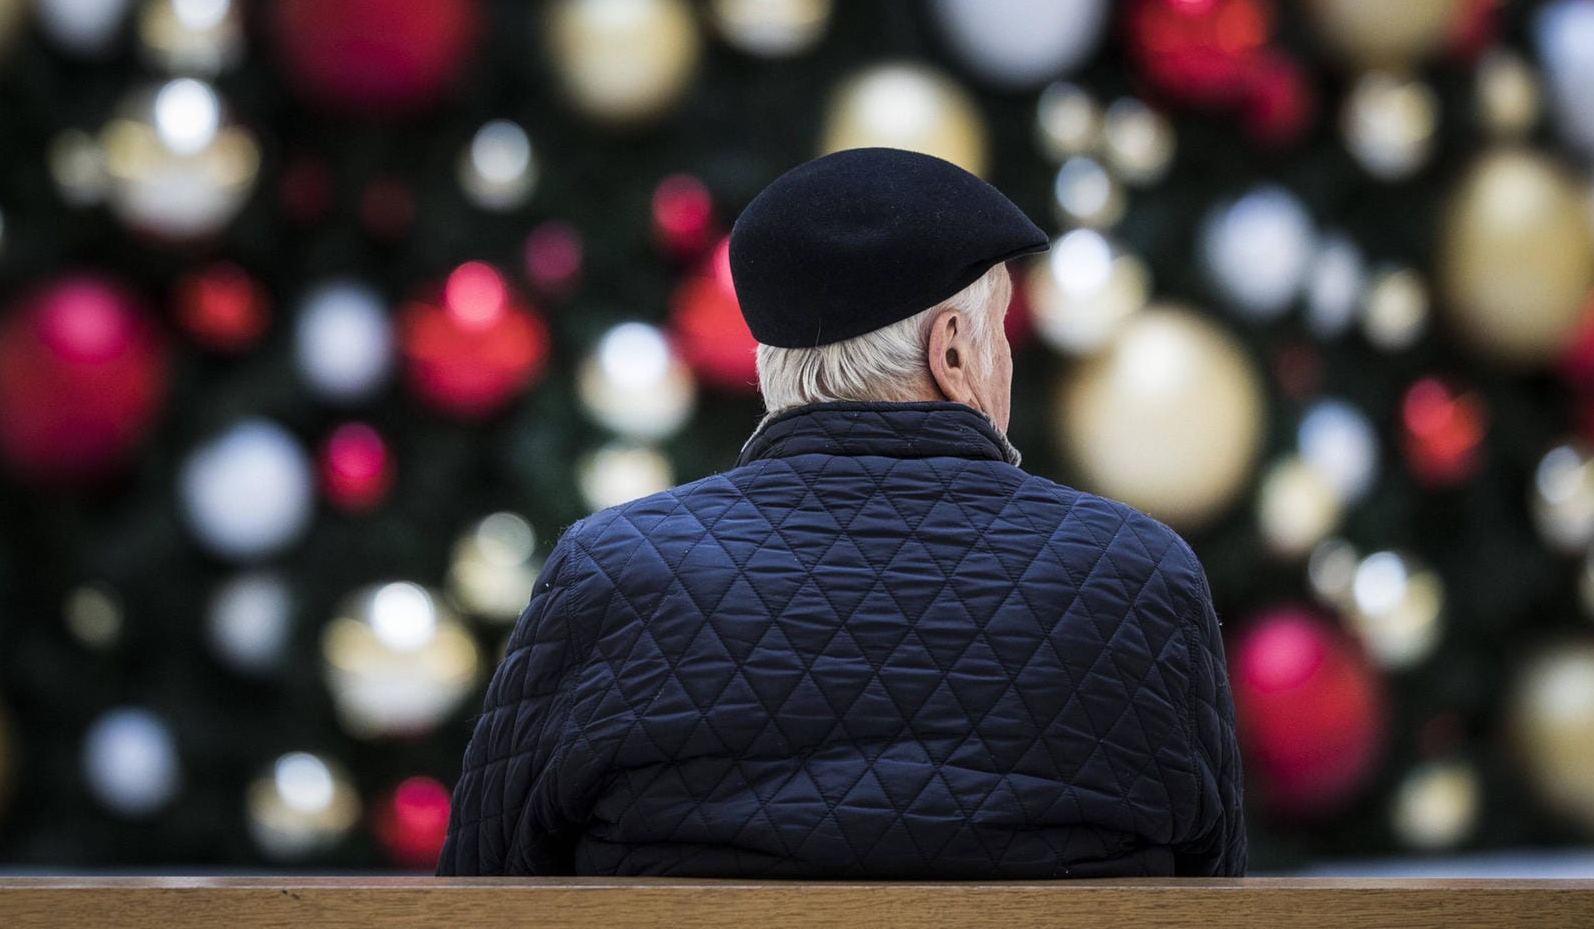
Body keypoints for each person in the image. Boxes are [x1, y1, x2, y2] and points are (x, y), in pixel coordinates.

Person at [438, 147, 1246, 877]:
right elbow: (1216, 885)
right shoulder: (1143, 576)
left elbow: (482, 885)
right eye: (999, 334)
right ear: (955, 350)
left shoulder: (608, 574)